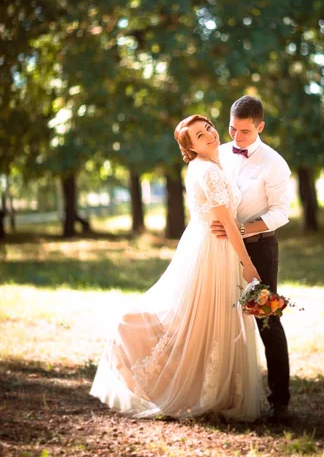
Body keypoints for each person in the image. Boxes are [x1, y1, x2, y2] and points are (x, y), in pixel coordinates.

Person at [90, 114, 267, 421]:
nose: (209, 135)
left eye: (208, 128)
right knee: (196, 318)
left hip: (213, 245)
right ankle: (194, 388)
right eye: (199, 135)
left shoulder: (211, 164)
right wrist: (248, 265)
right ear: (192, 147)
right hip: (212, 249)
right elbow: (226, 221)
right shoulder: (207, 171)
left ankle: (217, 391)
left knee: (211, 319)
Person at [212, 96, 291, 423]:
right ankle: (222, 394)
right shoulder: (217, 154)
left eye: (244, 131)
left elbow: (281, 213)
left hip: (258, 249)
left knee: (266, 320)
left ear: (260, 127)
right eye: (232, 127)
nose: (236, 136)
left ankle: (280, 401)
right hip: (219, 250)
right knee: (218, 318)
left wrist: (240, 228)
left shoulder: (274, 164)